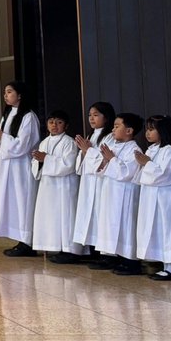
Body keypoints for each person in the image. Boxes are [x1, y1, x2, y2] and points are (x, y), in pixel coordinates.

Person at [0, 80, 41, 256]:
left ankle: (28, 241)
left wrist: (2, 136)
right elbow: (4, 141)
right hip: (8, 166)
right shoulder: (8, 115)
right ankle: (20, 238)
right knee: (13, 201)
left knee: (23, 201)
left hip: (21, 166)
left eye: (9, 92)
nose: (5, 95)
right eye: (5, 92)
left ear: (20, 95)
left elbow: (22, 145)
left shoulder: (28, 117)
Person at [135, 115, 171, 281]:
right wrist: (145, 164)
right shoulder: (152, 150)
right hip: (154, 198)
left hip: (168, 200)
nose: (147, 133)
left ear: (163, 131)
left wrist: (147, 164)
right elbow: (143, 175)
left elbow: (163, 175)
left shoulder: (170, 152)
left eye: (152, 129)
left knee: (169, 230)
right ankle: (164, 266)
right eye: (147, 129)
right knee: (159, 230)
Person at [93, 111, 143, 274]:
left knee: (126, 225)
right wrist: (105, 160)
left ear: (129, 131)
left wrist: (112, 159)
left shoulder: (134, 149)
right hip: (110, 192)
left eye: (116, 126)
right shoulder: (113, 146)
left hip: (125, 194)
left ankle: (130, 261)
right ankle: (114, 257)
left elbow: (126, 173)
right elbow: (100, 170)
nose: (113, 130)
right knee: (111, 224)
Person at [31, 109, 83, 262]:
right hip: (47, 187)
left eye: (59, 122)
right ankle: (53, 246)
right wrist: (39, 161)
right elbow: (36, 164)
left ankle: (69, 250)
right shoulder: (44, 142)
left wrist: (46, 159)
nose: (54, 125)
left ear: (66, 126)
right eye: (51, 122)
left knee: (65, 216)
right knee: (50, 216)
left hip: (64, 186)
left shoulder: (69, 142)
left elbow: (68, 165)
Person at [71, 100, 116, 260]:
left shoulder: (110, 136)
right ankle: (93, 251)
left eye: (96, 115)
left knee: (99, 215)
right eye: (90, 115)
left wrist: (88, 150)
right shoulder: (90, 135)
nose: (91, 118)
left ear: (106, 117)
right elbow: (82, 162)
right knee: (89, 215)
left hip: (100, 182)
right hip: (88, 182)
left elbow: (104, 159)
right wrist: (84, 153)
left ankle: (105, 255)